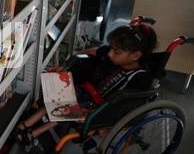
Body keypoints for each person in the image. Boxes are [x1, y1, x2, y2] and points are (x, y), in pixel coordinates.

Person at [15, 23, 157, 144]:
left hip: (98, 108)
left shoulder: (140, 78)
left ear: (136, 56)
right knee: (55, 96)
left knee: (62, 108)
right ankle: (27, 125)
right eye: (112, 48)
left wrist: (94, 114)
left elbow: (125, 106)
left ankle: (32, 132)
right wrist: (67, 64)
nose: (110, 54)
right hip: (84, 92)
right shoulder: (111, 55)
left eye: (116, 52)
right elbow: (94, 51)